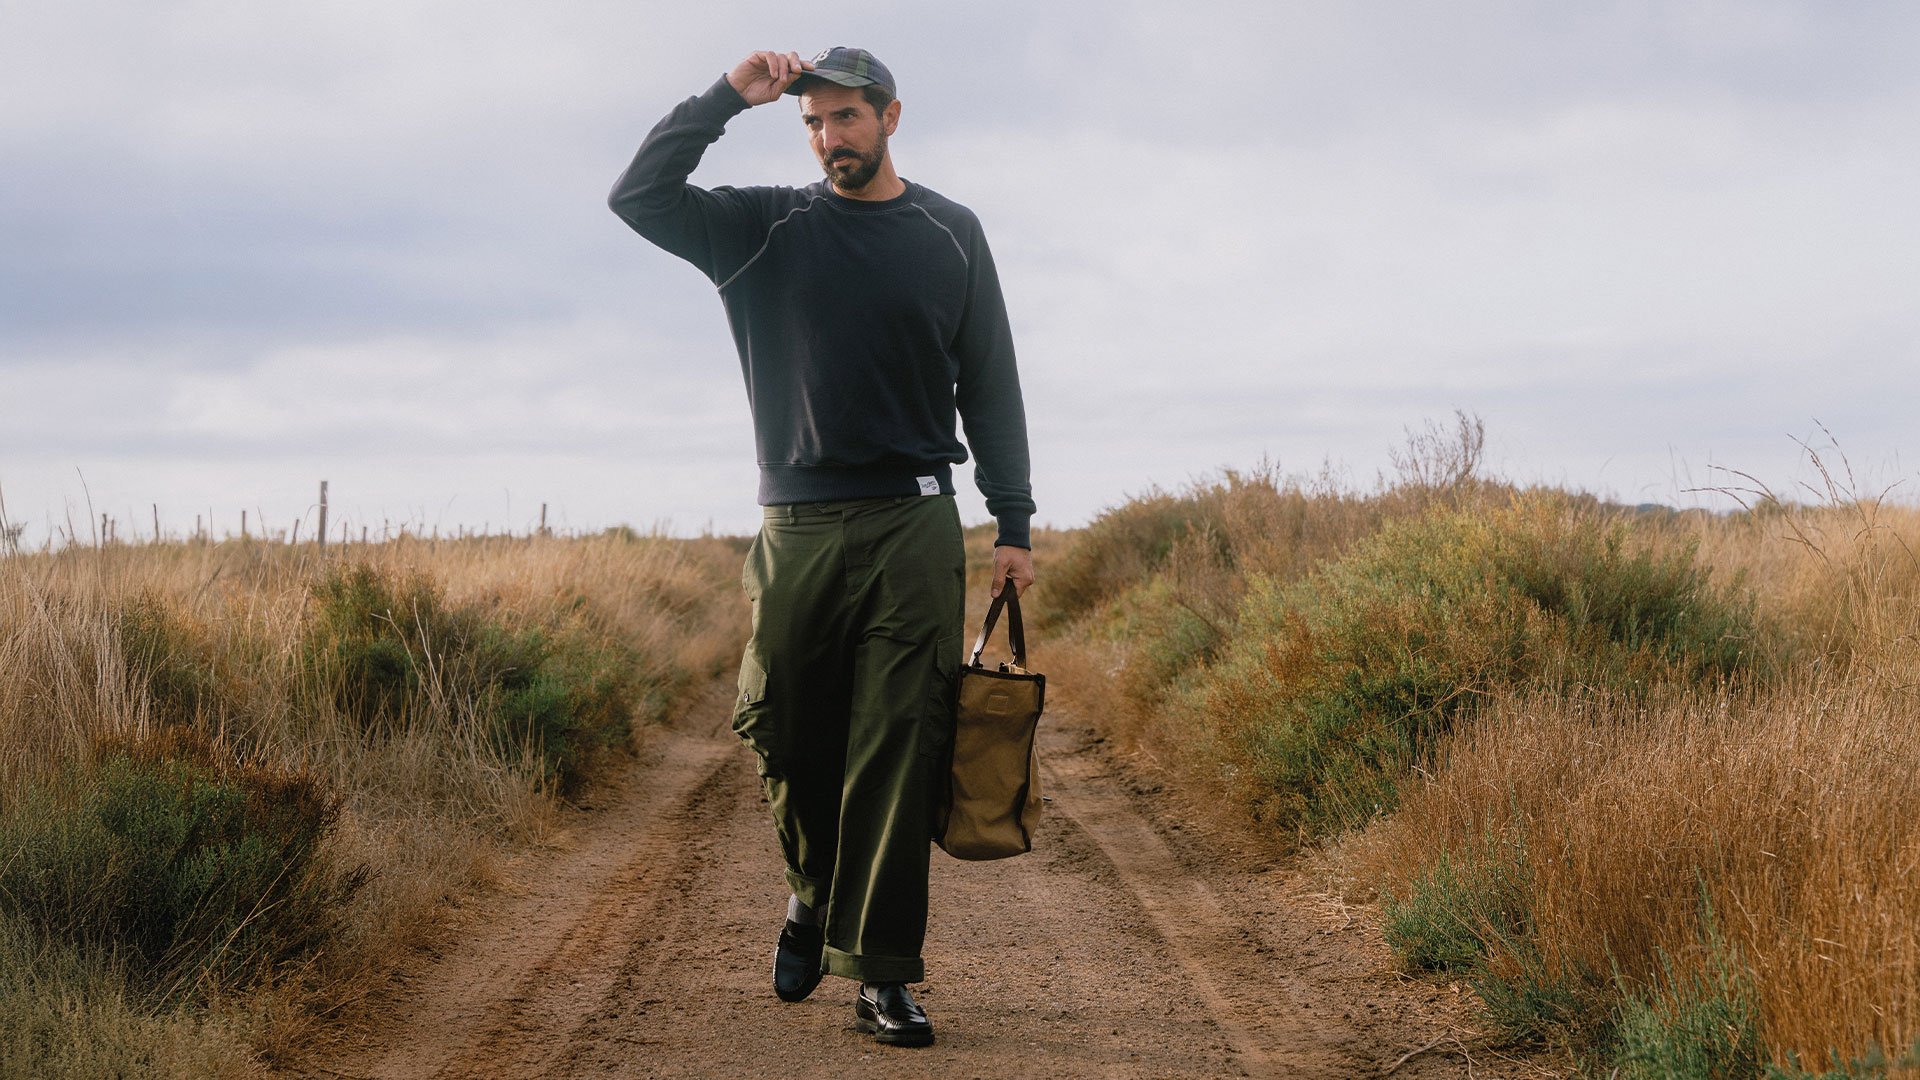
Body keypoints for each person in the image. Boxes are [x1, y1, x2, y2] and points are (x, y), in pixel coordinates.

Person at [607, 47, 1036, 1048]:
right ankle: (812, 887)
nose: (828, 138)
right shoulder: (759, 228)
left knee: (898, 749)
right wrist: (726, 99)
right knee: (785, 730)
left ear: (890, 116)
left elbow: (993, 382)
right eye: (812, 123)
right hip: (795, 527)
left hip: (915, 524)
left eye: (845, 118)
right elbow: (638, 195)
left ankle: (882, 975)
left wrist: (1012, 521)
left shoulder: (950, 233)